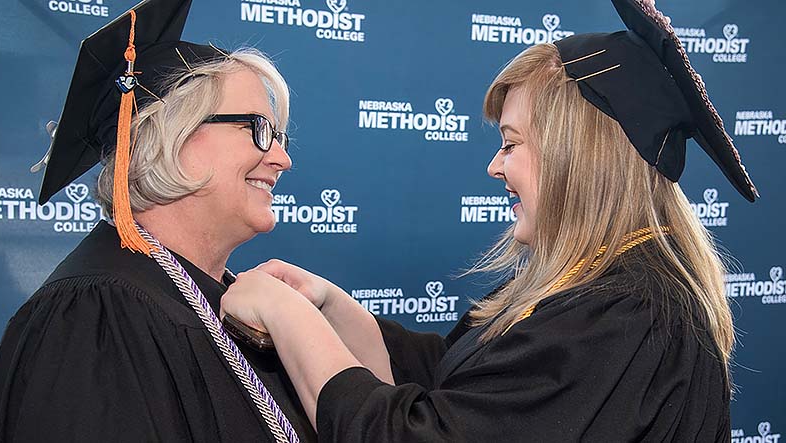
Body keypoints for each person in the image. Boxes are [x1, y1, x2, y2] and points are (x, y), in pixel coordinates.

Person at [219, 0, 758, 441]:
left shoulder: (627, 317)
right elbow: (454, 376)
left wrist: (286, 315)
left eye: (512, 144)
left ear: (578, 155)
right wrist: (330, 306)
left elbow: (415, 435)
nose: (494, 166)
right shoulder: (583, 280)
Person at [0, 1, 314, 441]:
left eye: (280, 136)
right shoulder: (93, 321)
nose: (282, 158)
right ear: (171, 136)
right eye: (258, 128)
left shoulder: (211, 295)